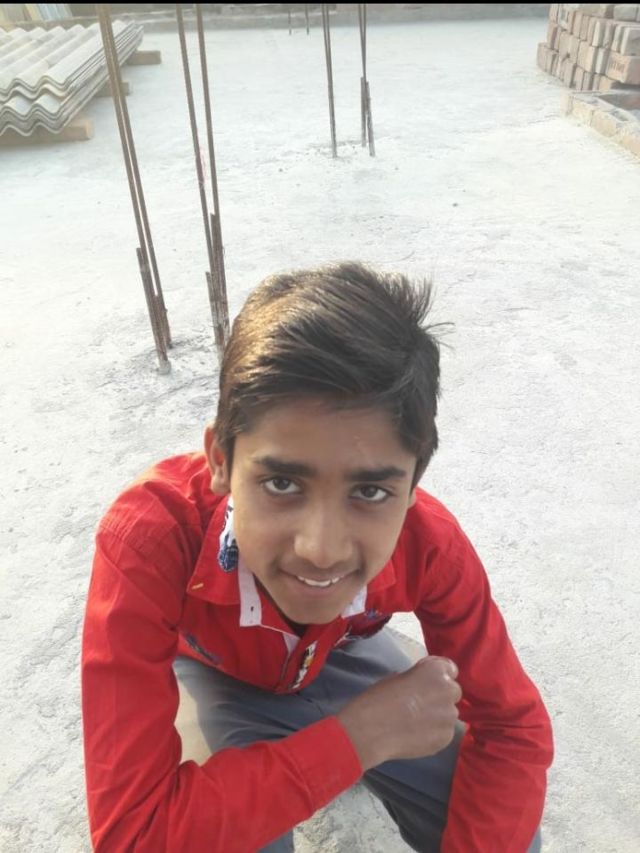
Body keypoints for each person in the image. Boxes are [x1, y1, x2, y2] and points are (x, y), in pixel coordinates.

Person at [81, 262, 553, 852]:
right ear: (221, 460)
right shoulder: (152, 538)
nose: (321, 550)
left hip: (343, 650)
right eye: (282, 483)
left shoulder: (429, 544)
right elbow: (133, 834)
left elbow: (513, 729)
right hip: (217, 671)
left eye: (370, 492)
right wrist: (359, 738)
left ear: (413, 484)